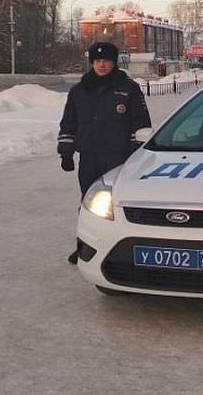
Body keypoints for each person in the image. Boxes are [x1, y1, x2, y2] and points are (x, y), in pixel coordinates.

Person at [57, 42, 151, 264]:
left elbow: (141, 125)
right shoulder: (80, 90)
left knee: (116, 206)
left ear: (113, 62)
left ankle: (120, 248)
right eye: (97, 60)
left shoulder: (128, 89)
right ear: (92, 62)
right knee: (89, 203)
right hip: (90, 156)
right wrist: (66, 152)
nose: (101, 64)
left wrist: (135, 154)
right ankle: (84, 247)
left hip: (119, 158)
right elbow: (69, 123)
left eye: (106, 60)